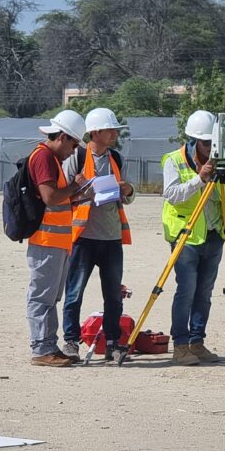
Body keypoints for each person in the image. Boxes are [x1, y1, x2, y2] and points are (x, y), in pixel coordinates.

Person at [60, 108, 135, 364]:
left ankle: (113, 344)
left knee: (113, 294)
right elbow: (62, 197)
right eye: (110, 129)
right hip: (83, 238)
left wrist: (128, 189)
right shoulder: (77, 158)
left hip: (111, 238)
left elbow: (129, 196)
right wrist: (80, 189)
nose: (115, 133)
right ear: (95, 132)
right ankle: (71, 342)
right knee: (74, 292)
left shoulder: (117, 158)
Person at [161, 110, 225, 365]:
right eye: (205, 143)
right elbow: (171, 195)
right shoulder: (174, 160)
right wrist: (199, 179)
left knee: (204, 293)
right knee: (187, 291)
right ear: (193, 140)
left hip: (214, 234)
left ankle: (197, 341)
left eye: (213, 143)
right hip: (186, 235)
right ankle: (180, 345)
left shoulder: (221, 160)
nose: (209, 148)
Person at [26, 109, 86, 367]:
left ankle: (49, 344)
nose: (74, 151)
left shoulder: (52, 159)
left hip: (57, 242)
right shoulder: (43, 157)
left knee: (51, 297)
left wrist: (79, 192)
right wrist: (76, 184)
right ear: (62, 137)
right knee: (41, 297)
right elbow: (50, 197)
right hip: (46, 241)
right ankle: (41, 349)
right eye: (73, 144)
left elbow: (58, 198)